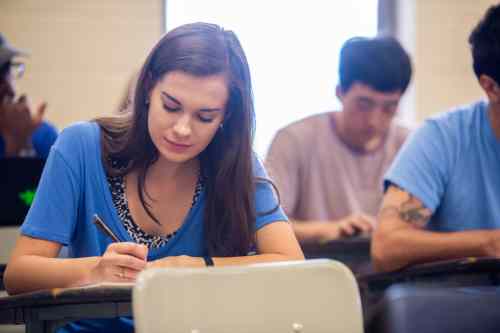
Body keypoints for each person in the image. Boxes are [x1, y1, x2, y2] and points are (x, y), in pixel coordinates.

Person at [4, 23, 304, 332]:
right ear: (148, 87)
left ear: (226, 116)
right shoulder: (79, 147)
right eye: (171, 106)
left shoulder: (236, 165)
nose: (182, 129)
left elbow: (292, 264)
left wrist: (197, 267)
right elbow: (19, 274)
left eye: (205, 117)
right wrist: (96, 270)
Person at [372, 4, 500, 272]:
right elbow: (386, 246)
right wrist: (488, 243)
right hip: (471, 302)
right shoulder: (442, 137)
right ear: (490, 86)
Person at [265, 36, 412, 245]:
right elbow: (263, 229)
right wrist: (330, 230)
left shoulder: (409, 145)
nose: (374, 121)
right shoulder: (294, 140)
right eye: (364, 104)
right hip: (315, 270)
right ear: (339, 92)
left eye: (389, 108)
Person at [0, 33, 57, 158]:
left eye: (7, 69)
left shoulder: (44, 135)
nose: (10, 89)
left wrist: (24, 144)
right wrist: (16, 144)